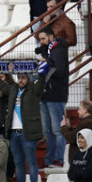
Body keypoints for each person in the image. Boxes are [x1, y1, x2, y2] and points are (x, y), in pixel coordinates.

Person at [0, 71, 44, 182]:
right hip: (13, 132)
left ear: (29, 79)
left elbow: (41, 81)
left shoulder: (34, 90)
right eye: (19, 78)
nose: (20, 80)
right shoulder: (13, 89)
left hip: (27, 132)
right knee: (18, 162)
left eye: (23, 78)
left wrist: (42, 71)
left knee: (31, 162)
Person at [36, 27, 70, 168]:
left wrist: (45, 65)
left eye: (43, 39)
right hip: (45, 95)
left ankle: (59, 159)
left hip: (56, 95)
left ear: (51, 37)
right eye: (39, 40)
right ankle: (49, 159)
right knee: (48, 131)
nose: (41, 42)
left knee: (57, 130)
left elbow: (59, 71)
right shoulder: (49, 51)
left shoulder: (59, 50)